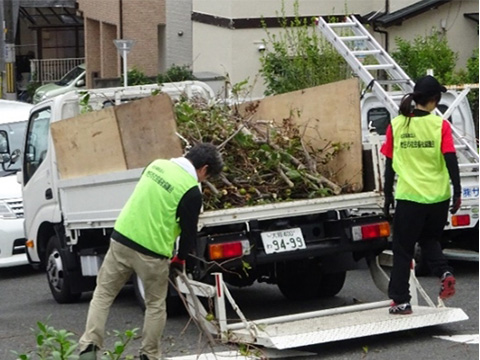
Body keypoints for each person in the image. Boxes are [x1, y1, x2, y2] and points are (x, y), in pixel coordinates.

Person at [78, 143, 223, 360]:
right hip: (152, 252)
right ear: (203, 169)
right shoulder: (192, 191)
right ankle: (149, 354)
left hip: (122, 238)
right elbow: (188, 232)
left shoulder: (155, 165)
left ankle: (89, 348)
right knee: (155, 305)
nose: (204, 180)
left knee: (103, 294)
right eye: (207, 176)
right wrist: (181, 259)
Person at [381, 75, 461, 315]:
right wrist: (457, 192)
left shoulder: (396, 125)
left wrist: (387, 196)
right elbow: (451, 161)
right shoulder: (440, 125)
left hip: (410, 197)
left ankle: (401, 301)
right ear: (435, 100)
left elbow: (388, 165)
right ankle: (444, 272)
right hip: (438, 197)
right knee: (430, 240)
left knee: (403, 249)